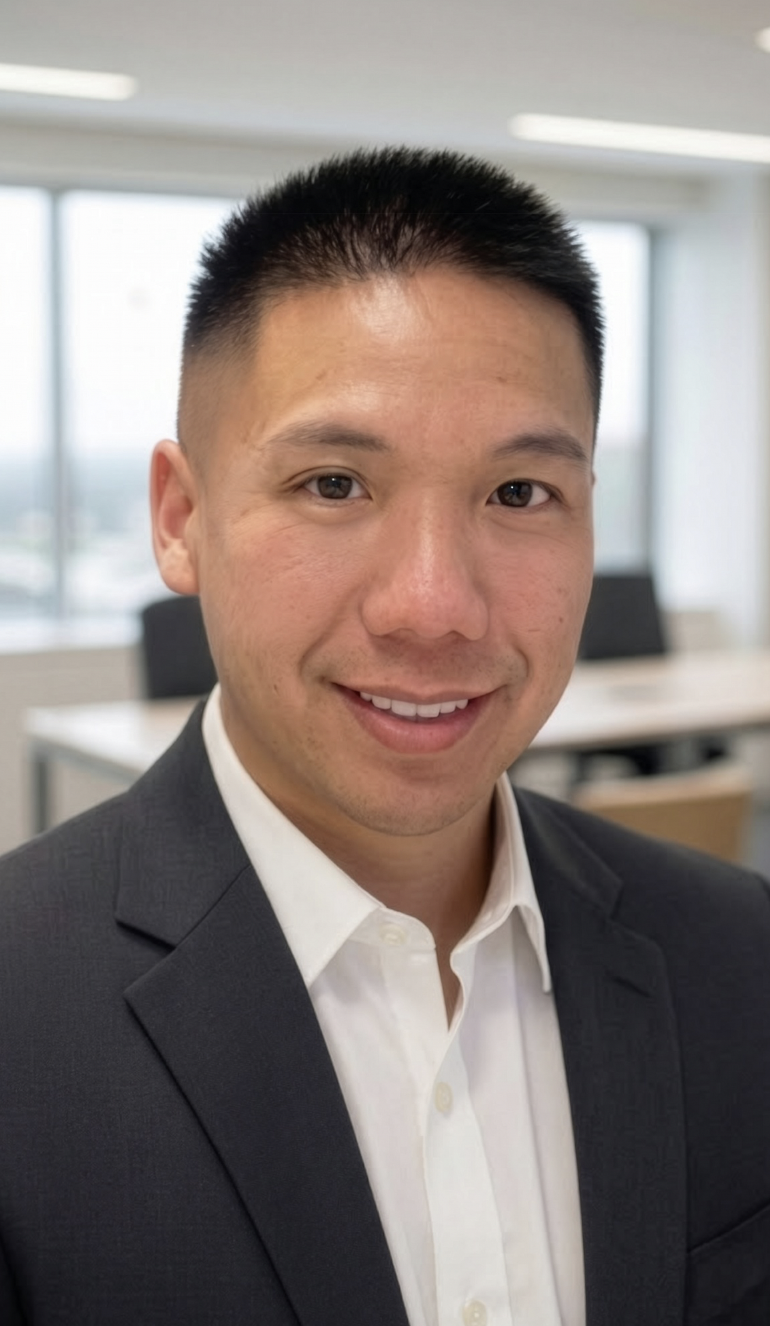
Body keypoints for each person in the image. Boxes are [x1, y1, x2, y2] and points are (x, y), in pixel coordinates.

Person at [0, 147, 768, 1326]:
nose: (433, 607)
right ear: (181, 518)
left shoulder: (739, 959)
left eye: (519, 495)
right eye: (332, 485)